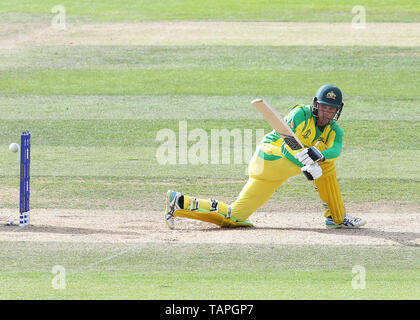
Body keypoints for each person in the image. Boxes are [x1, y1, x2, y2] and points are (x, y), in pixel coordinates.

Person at [165, 85, 366, 229]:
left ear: (338, 110)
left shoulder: (334, 130)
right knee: (324, 167)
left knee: (234, 217)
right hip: (270, 157)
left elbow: (336, 149)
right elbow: (288, 147)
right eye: (324, 106)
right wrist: (306, 162)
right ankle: (336, 216)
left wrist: (318, 155)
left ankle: (180, 202)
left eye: (332, 109)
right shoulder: (299, 114)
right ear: (316, 104)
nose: (327, 113)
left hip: (274, 173)